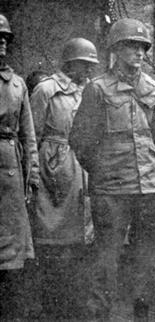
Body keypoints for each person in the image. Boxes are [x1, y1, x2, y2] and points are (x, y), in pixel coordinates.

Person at [69, 18, 155, 322]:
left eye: (142, 47)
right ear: (117, 50)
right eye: (131, 47)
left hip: (149, 185)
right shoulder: (98, 89)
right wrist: (104, 170)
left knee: (147, 258)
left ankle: (142, 314)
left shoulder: (153, 88)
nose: (139, 53)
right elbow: (80, 141)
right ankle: (101, 316)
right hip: (111, 189)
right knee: (106, 258)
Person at [29, 37, 98, 318]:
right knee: (52, 236)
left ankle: (74, 303)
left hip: (81, 164)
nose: (89, 71)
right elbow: (32, 134)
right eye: (85, 64)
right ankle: (51, 304)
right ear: (71, 63)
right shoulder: (46, 90)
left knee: (80, 237)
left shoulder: (89, 91)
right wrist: (36, 172)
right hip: (53, 167)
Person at [0, 13, 40, 319]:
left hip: (10, 167)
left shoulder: (17, 84)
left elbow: (28, 134)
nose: (1, 45)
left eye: (4, 40)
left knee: (11, 246)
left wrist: (33, 172)